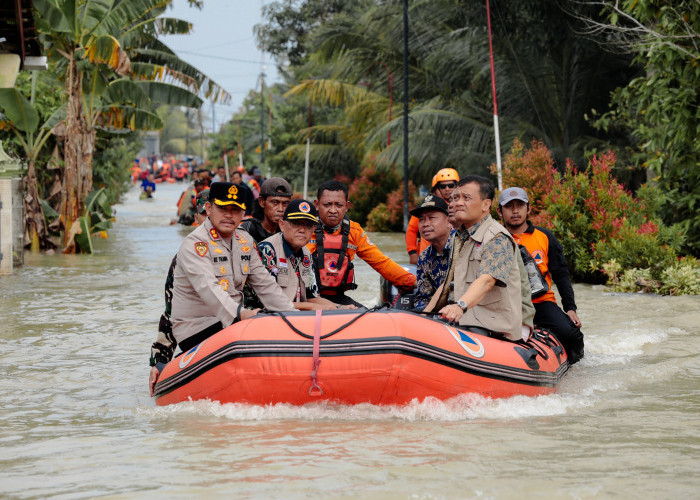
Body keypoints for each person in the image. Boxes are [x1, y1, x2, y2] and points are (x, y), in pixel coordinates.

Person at [148, 182, 295, 396]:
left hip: (233, 325)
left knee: (273, 324)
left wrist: (292, 316)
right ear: (208, 209)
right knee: (256, 330)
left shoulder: (245, 240)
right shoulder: (194, 244)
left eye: (235, 209)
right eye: (223, 208)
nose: (229, 215)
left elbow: (266, 285)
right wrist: (242, 315)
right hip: (198, 327)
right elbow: (209, 289)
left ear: (243, 212)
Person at [425, 175, 530, 342]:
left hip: (494, 327)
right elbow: (447, 283)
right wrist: (425, 315)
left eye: (466, 198)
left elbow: (487, 280)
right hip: (466, 319)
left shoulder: (497, 237)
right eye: (456, 198)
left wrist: (460, 306)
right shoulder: (459, 237)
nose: (458, 203)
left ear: (486, 204)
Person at [497, 187, 585, 363]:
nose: (515, 211)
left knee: (571, 334)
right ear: (500, 211)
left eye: (520, 206)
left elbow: (561, 274)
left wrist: (570, 308)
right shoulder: (495, 238)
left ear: (528, 209)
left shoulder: (545, 236)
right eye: (509, 206)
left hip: (541, 303)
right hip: (505, 304)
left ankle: (574, 366)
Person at [307, 180, 416, 307]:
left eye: (338, 205)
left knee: (368, 319)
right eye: (327, 204)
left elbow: (381, 262)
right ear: (316, 204)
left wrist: (414, 282)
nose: (333, 210)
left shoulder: (355, 231)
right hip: (307, 297)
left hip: (338, 298)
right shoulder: (304, 228)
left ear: (347, 206)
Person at [258, 199, 355, 310]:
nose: (302, 230)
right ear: (282, 225)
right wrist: (315, 307)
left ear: (313, 229)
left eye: (308, 225)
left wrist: (339, 307)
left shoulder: (306, 254)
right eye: (296, 223)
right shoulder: (267, 250)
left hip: (298, 316)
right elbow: (270, 302)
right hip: (266, 318)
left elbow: (312, 297)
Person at [405, 168, 459, 264]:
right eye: (443, 186)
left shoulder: (461, 206)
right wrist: (413, 253)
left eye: (450, 185)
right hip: (427, 255)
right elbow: (411, 230)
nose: (447, 189)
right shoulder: (424, 207)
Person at [411, 195, 455, 311]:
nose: (425, 224)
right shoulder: (424, 257)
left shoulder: (463, 246)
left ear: (449, 221)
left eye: (432, 218)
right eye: (421, 219)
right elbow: (423, 297)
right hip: (438, 318)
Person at [239, 177, 292, 242]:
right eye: (275, 202)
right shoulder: (247, 230)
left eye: (285, 203)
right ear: (262, 202)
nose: (281, 209)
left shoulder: (288, 232)